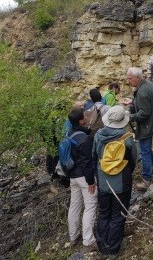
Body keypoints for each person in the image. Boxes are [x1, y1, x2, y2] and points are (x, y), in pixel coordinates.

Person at [92, 105, 137, 259]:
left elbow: (94, 156)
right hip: (122, 182)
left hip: (103, 181)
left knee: (104, 213)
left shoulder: (98, 135)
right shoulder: (127, 137)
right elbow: (133, 161)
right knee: (118, 215)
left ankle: (102, 246)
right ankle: (113, 248)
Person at [65, 108, 98, 253]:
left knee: (74, 206)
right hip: (84, 177)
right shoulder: (83, 139)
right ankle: (88, 240)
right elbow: (86, 162)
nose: (87, 116)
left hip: (72, 176)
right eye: (85, 115)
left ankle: (73, 237)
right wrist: (91, 181)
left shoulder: (69, 133)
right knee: (90, 206)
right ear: (81, 121)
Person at [122, 67, 153, 190]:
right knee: (147, 148)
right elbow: (146, 101)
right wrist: (133, 101)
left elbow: (144, 113)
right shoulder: (147, 84)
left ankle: (146, 179)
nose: (128, 81)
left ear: (137, 78)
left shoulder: (142, 92)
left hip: (146, 125)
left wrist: (130, 117)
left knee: (144, 151)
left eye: (129, 78)